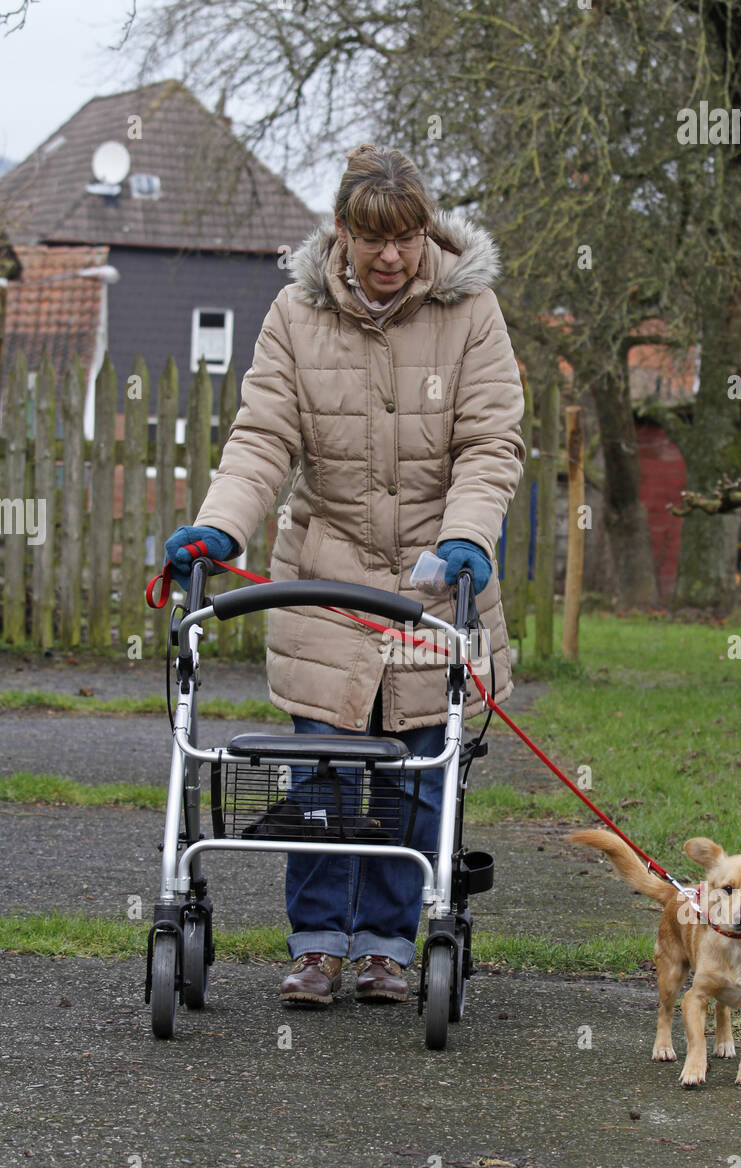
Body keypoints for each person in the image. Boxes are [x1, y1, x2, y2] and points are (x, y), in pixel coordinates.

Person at [163, 144, 525, 1009]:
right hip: (323, 580)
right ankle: (319, 944)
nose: (391, 257)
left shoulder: (471, 311)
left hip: (435, 582)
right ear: (342, 234)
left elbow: (489, 443)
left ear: (425, 233)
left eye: (405, 237)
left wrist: (468, 534)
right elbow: (262, 441)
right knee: (322, 772)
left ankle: (392, 947)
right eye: (373, 239)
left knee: (415, 769)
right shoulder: (296, 313)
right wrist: (218, 528)